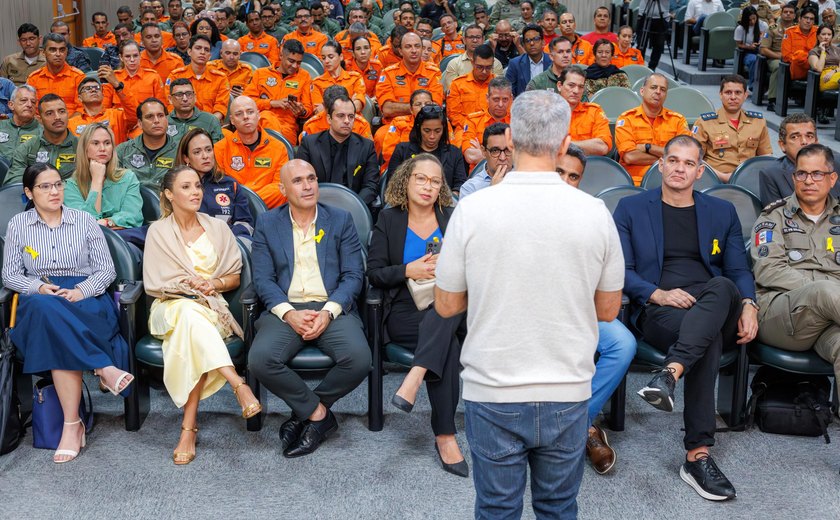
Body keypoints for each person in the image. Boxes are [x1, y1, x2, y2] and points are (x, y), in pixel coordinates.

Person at [435, 89, 623, 517]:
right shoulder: (595, 213)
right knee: (558, 508)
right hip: (567, 388)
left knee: (497, 508)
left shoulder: (472, 209)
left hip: (493, 389)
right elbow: (609, 310)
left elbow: (446, 305)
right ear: (563, 145)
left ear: (513, 140)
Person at [614, 134, 757, 501]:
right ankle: (697, 456)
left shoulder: (721, 212)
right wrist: (656, 293)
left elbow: (739, 271)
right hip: (661, 311)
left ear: (700, 171)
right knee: (704, 339)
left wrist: (750, 305)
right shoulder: (631, 209)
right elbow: (620, 269)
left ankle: (670, 372)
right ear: (660, 165)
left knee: (724, 285)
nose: (679, 168)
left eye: (688, 163)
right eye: (673, 160)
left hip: (714, 303)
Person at [3, 162, 133, 464]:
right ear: (28, 193)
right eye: (44, 186)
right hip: (41, 297)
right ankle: (104, 368)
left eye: (58, 185)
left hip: (83, 296)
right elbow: (10, 275)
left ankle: (72, 426)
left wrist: (81, 291)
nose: (54, 191)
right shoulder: (18, 225)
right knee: (43, 307)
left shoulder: (84, 220)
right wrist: (37, 286)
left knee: (54, 329)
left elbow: (105, 270)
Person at [248, 159, 370, 458]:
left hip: (330, 306)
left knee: (358, 359)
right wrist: (288, 313)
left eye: (312, 178)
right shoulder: (267, 223)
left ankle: (304, 412)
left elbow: (353, 275)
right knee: (260, 359)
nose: (308, 185)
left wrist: (329, 312)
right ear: (283, 189)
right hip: (286, 309)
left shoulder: (339, 220)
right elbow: (263, 278)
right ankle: (318, 416)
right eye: (299, 181)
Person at [143, 164, 262, 465]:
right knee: (186, 313)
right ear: (169, 194)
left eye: (197, 185)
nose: (195, 192)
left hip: (211, 309)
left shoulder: (218, 228)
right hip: (168, 307)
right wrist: (185, 285)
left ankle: (188, 429)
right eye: (186, 187)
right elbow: (155, 283)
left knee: (192, 330)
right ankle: (238, 383)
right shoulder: (158, 230)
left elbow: (234, 277)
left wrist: (212, 283)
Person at [367, 154, 469, 476]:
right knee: (447, 345)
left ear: (442, 188)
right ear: (406, 181)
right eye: (421, 179)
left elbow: (475, 268)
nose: (428, 186)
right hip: (405, 307)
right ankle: (445, 436)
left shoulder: (453, 217)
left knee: (447, 309)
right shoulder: (389, 219)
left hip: (451, 301)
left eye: (435, 181)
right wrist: (408, 269)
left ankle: (415, 376)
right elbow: (374, 273)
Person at [752, 144, 840, 395]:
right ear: (793, 178)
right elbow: (768, 270)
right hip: (782, 314)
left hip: (831, 320)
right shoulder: (773, 217)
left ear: (832, 179)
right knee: (823, 290)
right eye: (801, 174)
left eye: (817, 174)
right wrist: (822, 290)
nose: (808, 180)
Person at [295, 94, 379, 205]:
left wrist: (354, 206)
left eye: (351, 116)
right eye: (340, 116)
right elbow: (300, 182)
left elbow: (371, 186)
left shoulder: (366, 146)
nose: (347, 121)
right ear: (329, 119)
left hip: (353, 209)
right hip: (316, 206)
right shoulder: (309, 144)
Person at [176, 128, 255, 242]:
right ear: (186, 158)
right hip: (189, 245)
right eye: (197, 152)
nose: (205, 156)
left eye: (208, 150)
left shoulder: (230, 184)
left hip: (228, 244)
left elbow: (246, 224)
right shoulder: (176, 187)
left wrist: (223, 237)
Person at [64, 123, 143, 230]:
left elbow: (133, 216)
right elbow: (84, 223)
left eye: (107, 143)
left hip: (122, 240)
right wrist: (97, 181)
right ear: (84, 148)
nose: (102, 148)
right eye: (95, 143)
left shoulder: (128, 177)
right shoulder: (71, 185)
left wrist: (106, 222)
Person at [691, 74, 772, 181]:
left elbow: (765, 158)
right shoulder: (704, 123)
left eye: (738, 93)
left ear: (745, 95)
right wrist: (724, 177)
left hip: (749, 180)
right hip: (715, 179)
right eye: (728, 92)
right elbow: (694, 158)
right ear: (720, 95)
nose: (733, 97)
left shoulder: (758, 122)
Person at [214, 96, 290, 208]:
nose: (245, 117)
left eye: (250, 112)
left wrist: (249, 201)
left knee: (282, 190)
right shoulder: (220, 148)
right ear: (232, 120)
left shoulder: (278, 147)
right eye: (239, 114)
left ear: (258, 115)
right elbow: (219, 185)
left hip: (266, 208)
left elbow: (279, 187)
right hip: (230, 208)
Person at [615, 73, 691, 185]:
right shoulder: (626, 119)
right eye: (653, 87)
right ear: (642, 91)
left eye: (663, 89)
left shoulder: (678, 120)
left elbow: (685, 154)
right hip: (635, 182)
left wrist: (648, 147)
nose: (658, 92)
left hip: (670, 182)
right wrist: (670, 159)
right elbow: (630, 157)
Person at [758, 113, 840, 204]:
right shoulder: (771, 175)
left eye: (809, 136)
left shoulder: (836, 163)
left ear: (816, 142)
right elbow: (775, 216)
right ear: (782, 145)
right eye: (795, 137)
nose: (804, 142)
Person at [243, 38, 313, 146]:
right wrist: (271, 103)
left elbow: (308, 108)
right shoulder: (260, 74)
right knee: (266, 116)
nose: (295, 66)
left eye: (299, 62)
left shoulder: (305, 77)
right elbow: (246, 103)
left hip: (287, 129)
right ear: (281, 56)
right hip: (258, 126)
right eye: (291, 61)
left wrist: (301, 111)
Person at [388, 104, 467, 193]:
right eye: (427, 131)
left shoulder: (454, 153)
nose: (432, 136)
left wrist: (451, 198)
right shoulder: (402, 150)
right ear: (419, 128)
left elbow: (460, 184)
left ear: (443, 129)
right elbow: (392, 183)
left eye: (437, 131)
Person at [375, 32, 444, 125]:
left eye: (417, 46)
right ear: (400, 51)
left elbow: (435, 107)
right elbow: (387, 109)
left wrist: (400, 108)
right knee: (380, 137)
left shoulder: (434, 72)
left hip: (426, 125)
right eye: (408, 47)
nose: (414, 50)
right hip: (395, 125)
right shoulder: (387, 73)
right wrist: (418, 107)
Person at [6, 95, 78, 184]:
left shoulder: (83, 147)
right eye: (49, 113)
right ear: (40, 119)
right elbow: (14, 182)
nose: (57, 117)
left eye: (61, 111)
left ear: (67, 114)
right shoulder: (27, 148)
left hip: (74, 196)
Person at [116, 98, 179, 188]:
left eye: (161, 115)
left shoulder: (180, 150)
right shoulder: (123, 151)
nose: (156, 120)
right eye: (150, 117)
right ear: (140, 123)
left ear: (167, 120)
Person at [166, 35, 231, 122]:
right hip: (181, 123)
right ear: (189, 52)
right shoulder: (175, 76)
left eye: (206, 50)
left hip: (210, 125)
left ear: (210, 56)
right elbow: (170, 105)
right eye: (198, 48)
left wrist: (207, 123)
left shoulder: (220, 78)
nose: (202, 52)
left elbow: (220, 108)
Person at [557, 66, 612, 156]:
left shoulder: (594, 111)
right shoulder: (547, 112)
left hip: (589, 166)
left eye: (581, 87)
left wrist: (566, 146)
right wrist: (586, 146)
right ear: (560, 86)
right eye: (571, 85)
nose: (576, 91)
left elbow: (603, 147)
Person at [25, 33, 85, 116]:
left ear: (66, 52)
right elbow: (30, 109)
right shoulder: (34, 78)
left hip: (71, 124)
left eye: (62, 50)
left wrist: (65, 126)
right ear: (43, 52)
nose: (58, 54)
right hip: (41, 126)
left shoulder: (78, 77)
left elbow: (82, 108)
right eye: (53, 50)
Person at [459, 77, 514, 166]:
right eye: (496, 99)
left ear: (511, 98)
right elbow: (470, 156)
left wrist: (483, 153)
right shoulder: (473, 121)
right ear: (487, 98)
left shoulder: (517, 122)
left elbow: (523, 156)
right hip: (480, 175)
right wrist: (508, 155)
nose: (500, 104)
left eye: (505, 99)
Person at [104, 40, 165, 118]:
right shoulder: (113, 78)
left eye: (135, 56)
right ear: (121, 58)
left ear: (140, 56)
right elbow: (105, 108)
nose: (132, 60)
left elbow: (162, 107)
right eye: (127, 56)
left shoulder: (153, 77)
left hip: (145, 122)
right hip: (120, 122)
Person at [378, 89, 435, 171]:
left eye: (427, 104)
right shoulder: (398, 123)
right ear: (411, 110)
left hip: (434, 166)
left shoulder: (441, 123)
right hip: (403, 168)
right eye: (418, 104)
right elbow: (388, 153)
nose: (423, 107)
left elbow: (449, 152)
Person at [446, 44, 498, 129]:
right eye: (480, 67)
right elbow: (453, 114)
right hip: (465, 129)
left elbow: (505, 112)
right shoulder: (458, 84)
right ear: (472, 62)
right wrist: (472, 127)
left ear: (493, 64)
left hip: (492, 129)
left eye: (488, 67)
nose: (484, 71)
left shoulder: (499, 85)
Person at [760, 3, 797, 112]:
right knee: (778, 67)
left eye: (791, 12)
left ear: (795, 16)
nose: (788, 14)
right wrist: (779, 56)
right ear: (781, 14)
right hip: (775, 58)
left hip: (794, 58)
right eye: (786, 12)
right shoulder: (772, 29)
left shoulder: (798, 29)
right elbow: (763, 49)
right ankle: (772, 100)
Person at [311, 40, 366, 114]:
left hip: (353, 123)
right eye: (323, 58)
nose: (326, 61)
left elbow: (358, 106)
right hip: (327, 124)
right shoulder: (317, 83)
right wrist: (350, 105)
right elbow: (318, 111)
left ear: (341, 57)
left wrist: (328, 108)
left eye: (331, 57)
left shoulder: (355, 78)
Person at [458, 122, 511, 198]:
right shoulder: (470, 189)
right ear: (484, 151)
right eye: (495, 151)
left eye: (508, 150)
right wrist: (492, 191)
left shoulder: (526, 179)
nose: (502, 158)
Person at [166, 78, 224, 143]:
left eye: (189, 94)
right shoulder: (164, 122)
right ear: (170, 99)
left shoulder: (211, 120)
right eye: (179, 95)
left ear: (195, 97)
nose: (185, 99)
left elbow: (218, 150)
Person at [505, 24, 551, 96]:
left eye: (536, 39)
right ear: (523, 45)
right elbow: (508, 93)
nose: (532, 43)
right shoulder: (515, 64)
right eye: (527, 40)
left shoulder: (553, 62)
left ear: (543, 42)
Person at [0, 85, 41, 161]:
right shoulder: (1, 127)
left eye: (33, 102)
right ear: (11, 105)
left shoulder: (44, 133)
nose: (29, 105)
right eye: (23, 100)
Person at [808, 24, 840, 122]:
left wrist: (833, 72)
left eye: (829, 34)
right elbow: (819, 68)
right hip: (824, 78)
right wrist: (823, 51)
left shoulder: (837, 50)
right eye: (823, 34)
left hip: (836, 74)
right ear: (818, 36)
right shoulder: (814, 52)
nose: (826, 37)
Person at [735, 6, 769, 91]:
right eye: (750, 20)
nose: (753, 22)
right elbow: (739, 45)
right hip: (748, 52)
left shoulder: (763, 25)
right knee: (754, 60)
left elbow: (767, 37)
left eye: (754, 19)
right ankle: (753, 85)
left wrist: (762, 42)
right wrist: (749, 47)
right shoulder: (740, 28)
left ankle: (765, 85)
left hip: (762, 50)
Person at [782, 6, 819, 80]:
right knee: (799, 55)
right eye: (806, 18)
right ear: (799, 19)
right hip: (797, 67)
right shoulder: (789, 32)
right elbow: (786, 56)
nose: (808, 21)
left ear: (814, 22)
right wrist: (805, 60)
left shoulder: (818, 32)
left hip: (815, 67)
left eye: (811, 19)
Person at [347, 34, 383, 99]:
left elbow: (379, 89)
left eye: (366, 48)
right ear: (353, 53)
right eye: (358, 49)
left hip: (373, 103)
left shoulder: (377, 66)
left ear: (371, 51)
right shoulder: (346, 67)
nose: (363, 52)